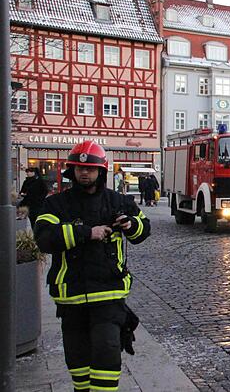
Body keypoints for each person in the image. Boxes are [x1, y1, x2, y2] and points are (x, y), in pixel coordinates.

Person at [33, 141, 150, 391]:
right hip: (71, 297)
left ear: (101, 172)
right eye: (79, 169)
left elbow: (143, 231)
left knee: (107, 355)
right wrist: (86, 233)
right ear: (72, 172)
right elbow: (44, 238)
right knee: (78, 364)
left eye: (90, 169)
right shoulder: (56, 204)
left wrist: (131, 224)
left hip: (109, 294)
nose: (84, 173)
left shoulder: (118, 201)